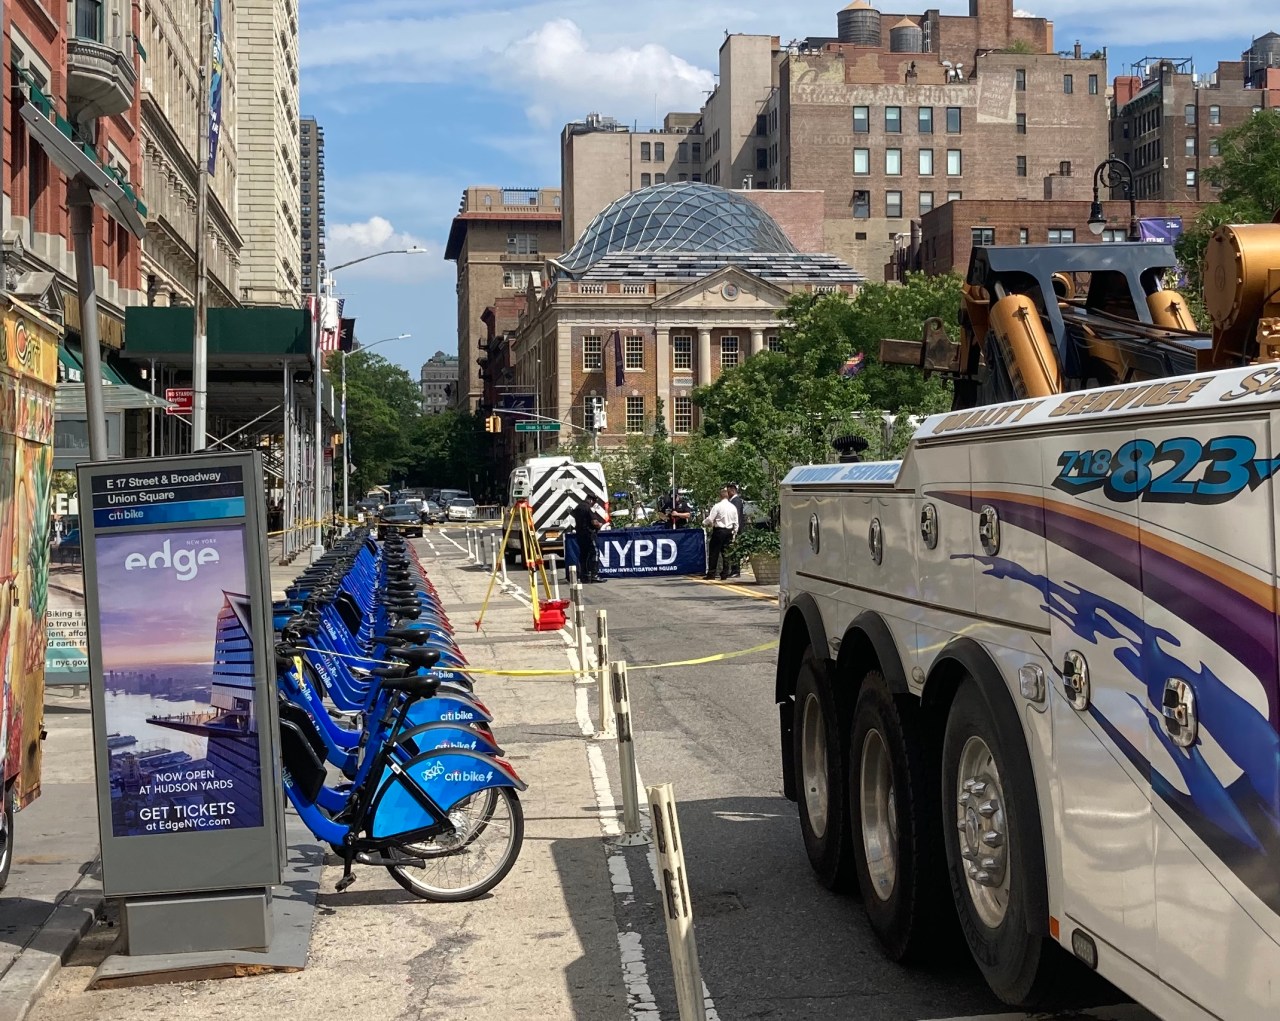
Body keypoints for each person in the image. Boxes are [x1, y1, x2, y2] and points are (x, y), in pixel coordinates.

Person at [703, 486, 739, 581]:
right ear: (727, 496)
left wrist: (705, 523)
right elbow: (736, 522)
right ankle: (725, 573)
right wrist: (734, 532)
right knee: (726, 553)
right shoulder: (733, 507)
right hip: (729, 531)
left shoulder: (717, 506)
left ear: (720, 496)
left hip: (719, 531)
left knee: (714, 552)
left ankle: (711, 573)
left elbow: (710, 519)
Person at [571, 494, 604, 583]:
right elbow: (594, 522)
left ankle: (584, 576)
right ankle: (594, 575)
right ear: (592, 500)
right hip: (589, 534)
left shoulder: (578, 507)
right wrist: (600, 525)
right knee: (595, 553)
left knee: (583, 555)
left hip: (579, 534)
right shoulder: (588, 508)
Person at [726, 483, 747, 578]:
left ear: (733, 490)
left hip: (736, 529)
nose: (727, 493)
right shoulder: (732, 501)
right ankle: (733, 569)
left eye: (728, 491)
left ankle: (736, 570)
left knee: (735, 549)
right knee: (732, 549)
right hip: (734, 529)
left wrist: (735, 529)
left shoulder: (736, 501)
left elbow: (736, 516)